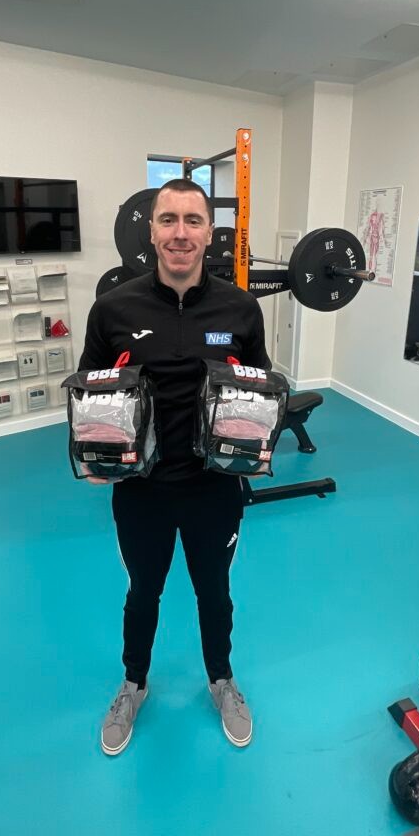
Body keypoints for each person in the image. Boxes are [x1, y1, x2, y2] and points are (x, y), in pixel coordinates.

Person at [78, 178, 271, 756]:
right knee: (144, 592)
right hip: (142, 491)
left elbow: (259, 388)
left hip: (215, 488)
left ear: (208, 232)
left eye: (192, 221)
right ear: (152, 228)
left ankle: (222, 679)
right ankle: (133, 683)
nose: (180, 234)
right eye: (169, 220)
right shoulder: (113, 308)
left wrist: (259, 444)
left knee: (215, 591)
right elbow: (91, 391)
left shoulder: (240, 308)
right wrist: (93, 454)